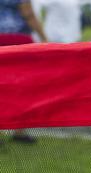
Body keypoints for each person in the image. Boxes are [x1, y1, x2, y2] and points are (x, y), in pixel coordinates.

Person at [0, 0, 45, 143]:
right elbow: (28, 14)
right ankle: (19, 130)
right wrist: (43, 38)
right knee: (22, 87)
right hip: (18, 38)